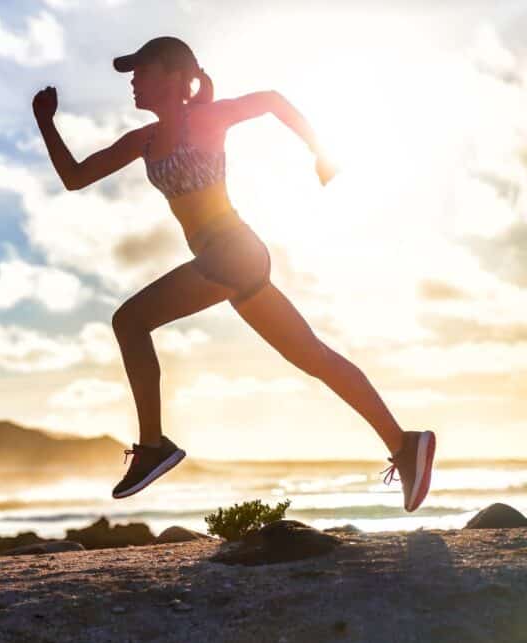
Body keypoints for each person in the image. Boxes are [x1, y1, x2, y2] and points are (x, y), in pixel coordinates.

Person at [32, 36, 435, 512]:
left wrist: (320, 150)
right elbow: (75, 177)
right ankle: (405, 443)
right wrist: (46, 123)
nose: (134, 83)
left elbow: (271, 102)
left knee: (130, 321)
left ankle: (154, 446)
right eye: (132, 75)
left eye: (142, 71)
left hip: (232, 253)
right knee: (315, 357)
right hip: (229, 261)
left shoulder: (210, 116)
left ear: (174, 75)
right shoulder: (142, 141)